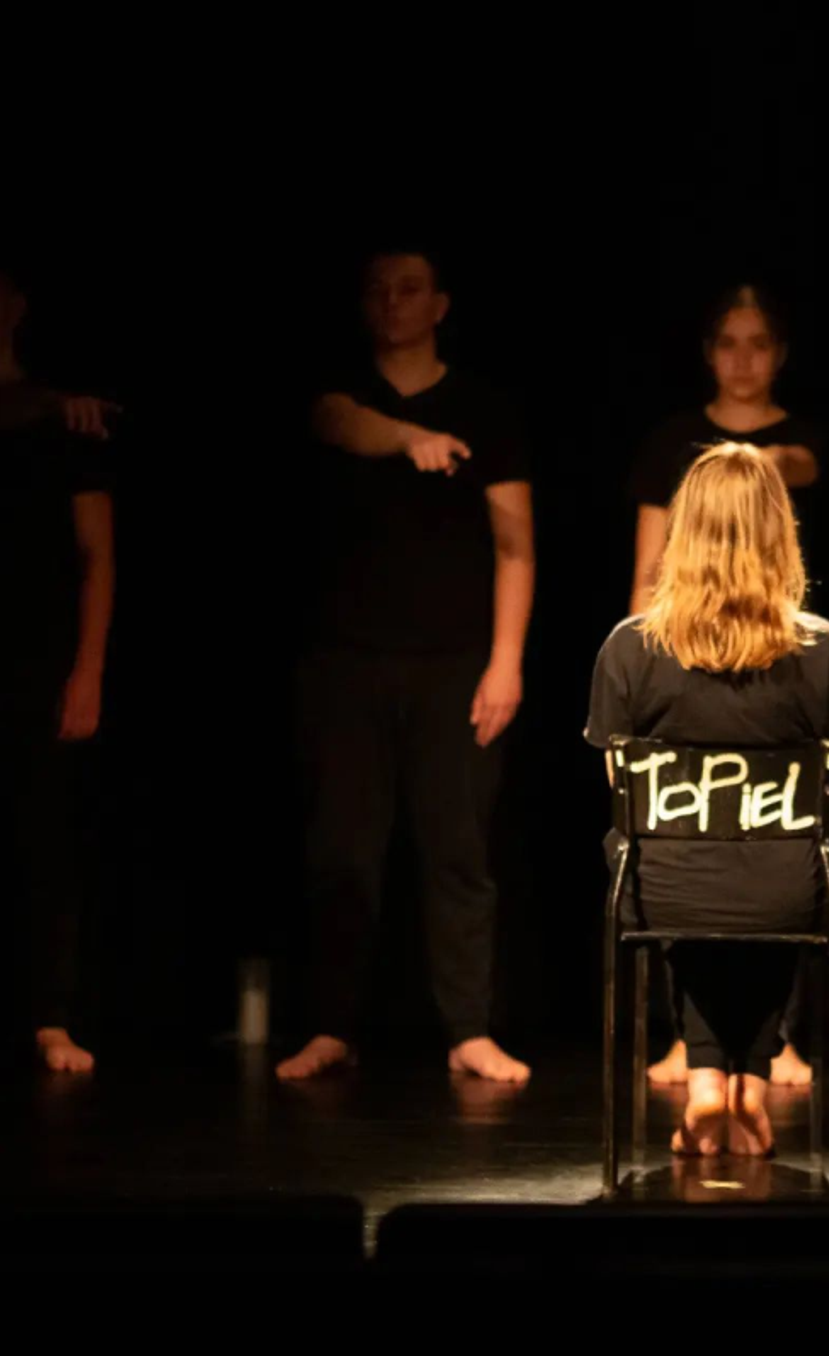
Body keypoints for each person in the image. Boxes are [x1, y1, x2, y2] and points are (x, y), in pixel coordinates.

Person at [277, 245, 534, 1084]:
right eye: (379, 289)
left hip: (454, 664)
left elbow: (515, 546)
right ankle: (331, 1025)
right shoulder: (341, 394)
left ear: (440, 305)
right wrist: (411, 438)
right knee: (341, 851)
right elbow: (336, 421)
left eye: (410, 288)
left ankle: (469, 1029)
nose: (393, 302)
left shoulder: (484, 407)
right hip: (345, 662)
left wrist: (506, 663)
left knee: (458, 849)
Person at [586, 442, 829, 1155]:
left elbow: (624, 790)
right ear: (780, 532)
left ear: (682, 530)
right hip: (788, 890)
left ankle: (709, 1078)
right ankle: (748, 1079)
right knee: (786, 865)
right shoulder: (823, 649)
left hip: (663, 891)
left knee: (689, 868)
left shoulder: (628, 647)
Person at [630, 283, 826, 1087]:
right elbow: (648, 568)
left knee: (785, 852)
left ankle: (778, 1037)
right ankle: (693, 1038)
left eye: (759, 343)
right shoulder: (672, 443)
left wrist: (749, 467)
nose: (743, 359)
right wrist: (640, 664)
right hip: (688, 662)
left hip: (778, 666)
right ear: (709, 354)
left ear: (780, 355)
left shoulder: (797, 444)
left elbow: (801, 463)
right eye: (728, 343)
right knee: (681, 852)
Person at [0, 258, 115, 1073]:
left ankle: (50, 1014)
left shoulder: (60, 422)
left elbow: (97, 555)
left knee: (43, 836)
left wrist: (88, 670)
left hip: (35, 655)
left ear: (14, 309)